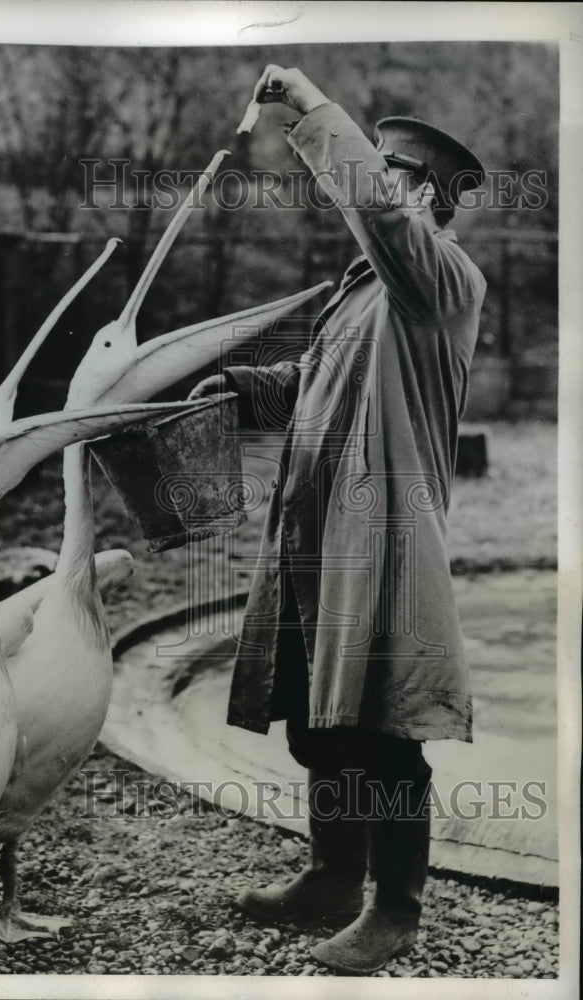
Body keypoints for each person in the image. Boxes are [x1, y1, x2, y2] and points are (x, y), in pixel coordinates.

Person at [189, 66, 486, 975]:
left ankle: (394, 909)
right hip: (318, 526)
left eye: (389, 175)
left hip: (386, 538)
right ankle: (329, 876)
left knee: (385, 727)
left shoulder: (439, 280)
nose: (370, 189)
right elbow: (307, 384)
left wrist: (312, 110)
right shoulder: (355, 291)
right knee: (321, 719)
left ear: (422, 198)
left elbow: (379, 217)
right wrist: (240, 387)